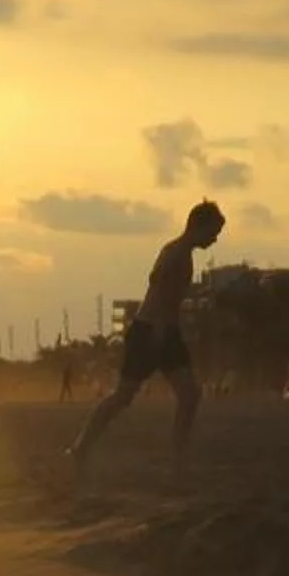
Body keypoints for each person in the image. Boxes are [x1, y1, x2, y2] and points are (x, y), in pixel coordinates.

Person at [67, 200, 224, 481]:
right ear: (198, 226)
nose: (215, 239)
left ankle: (177, 461)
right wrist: (161, 331)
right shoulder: (175, 252)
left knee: (190, 395)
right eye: (213, 231)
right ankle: (79, 449)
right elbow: (159, 285)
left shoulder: (182, 253)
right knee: (123, 396)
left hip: (166, 331)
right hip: (150, 330)